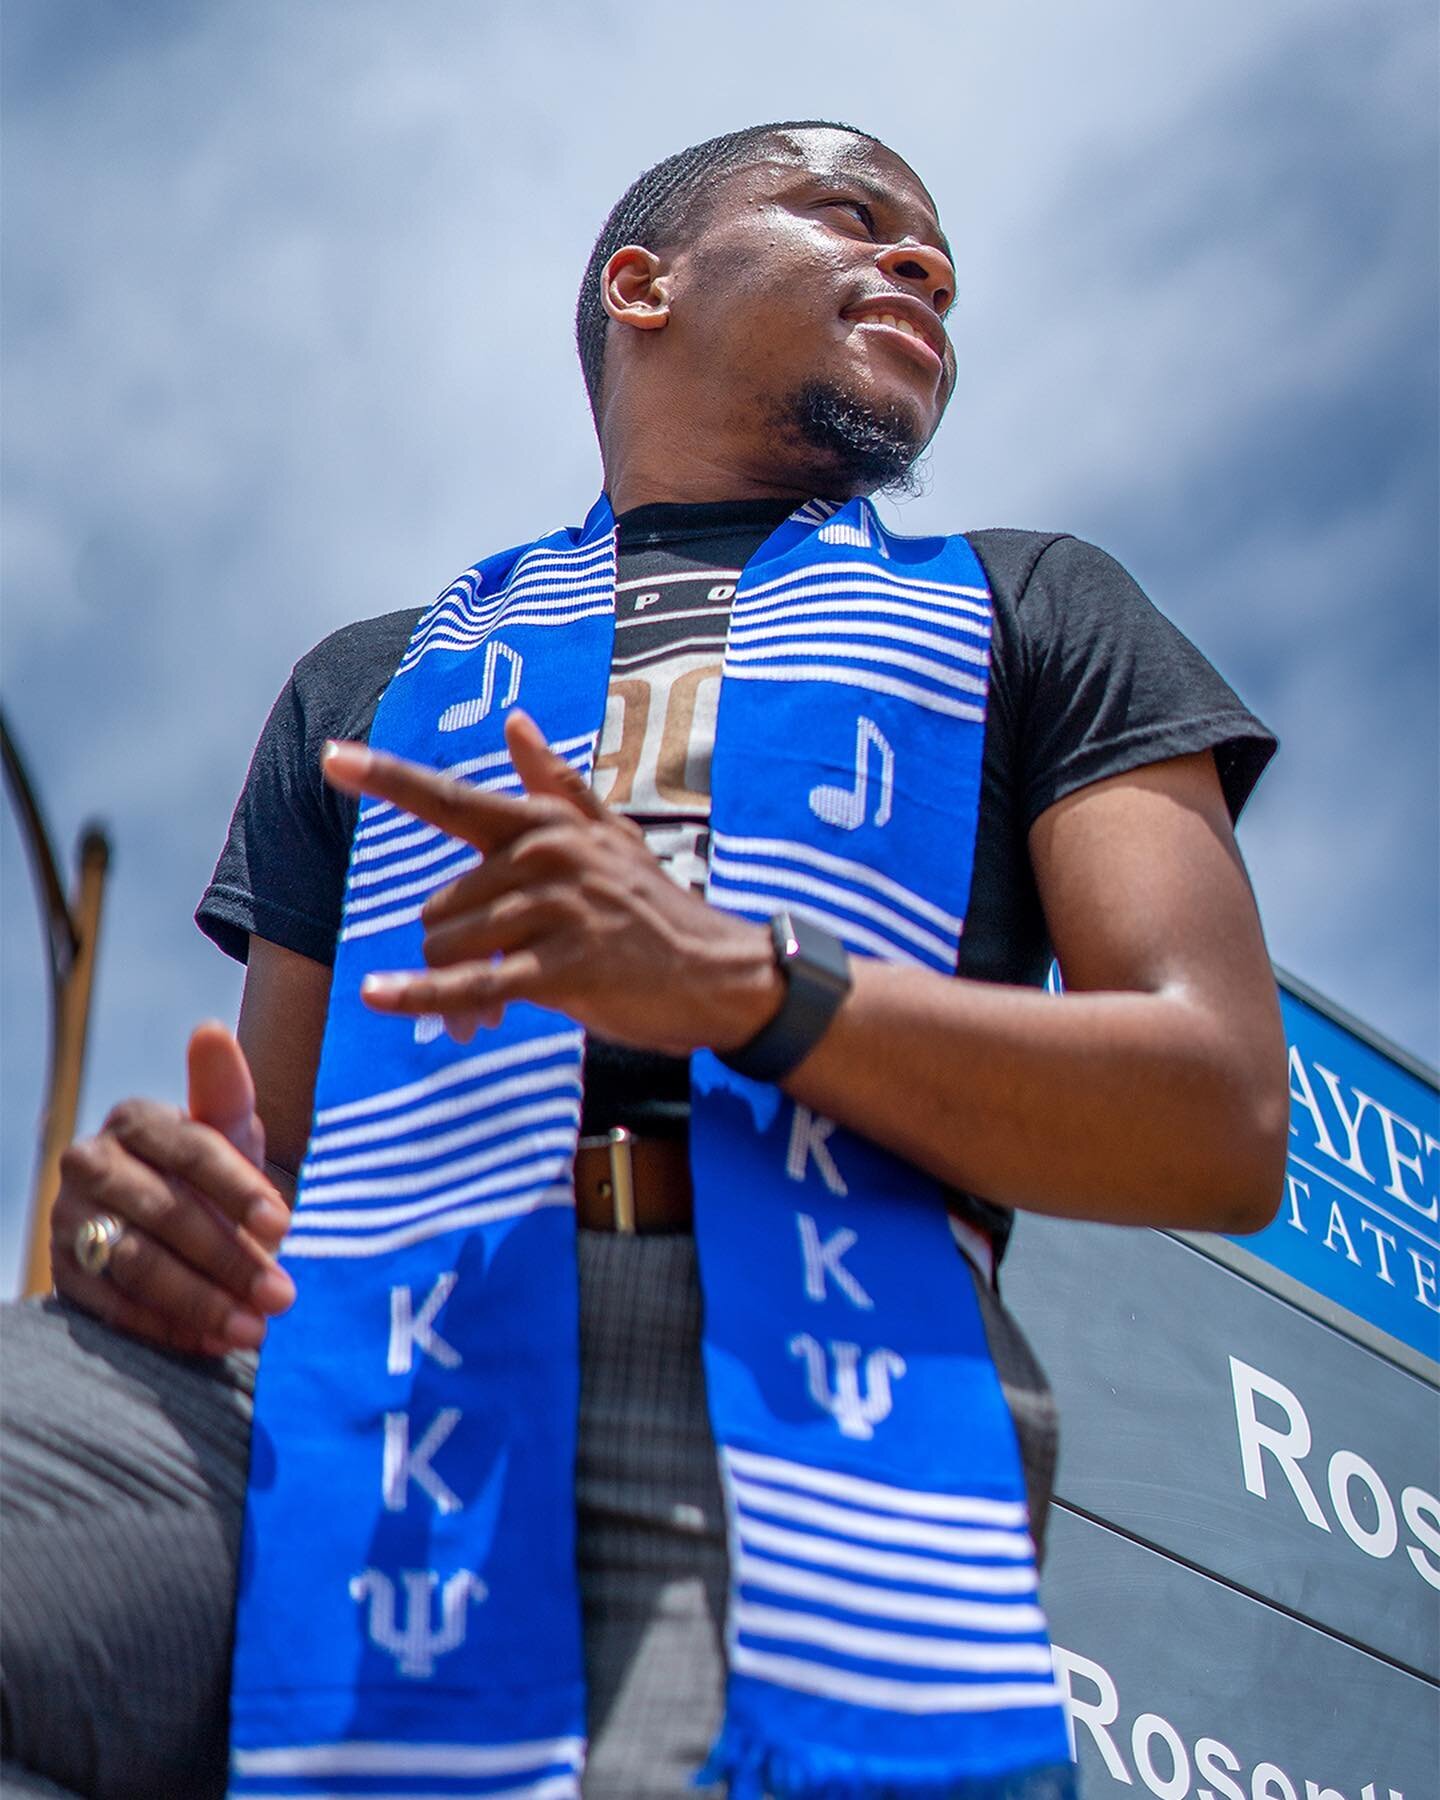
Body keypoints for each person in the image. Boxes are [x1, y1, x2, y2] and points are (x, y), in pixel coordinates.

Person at [1, 120, 1286, 1800]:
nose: (926, 269)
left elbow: (1217, 1112)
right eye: (855, 215)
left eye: (943, 264)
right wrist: (145, 1229)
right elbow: (286, 1169)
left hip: (772, 1392)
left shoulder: (1035, 604)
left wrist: (745, 988)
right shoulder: (376, 680)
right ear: (643, 285)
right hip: (342, 1370)